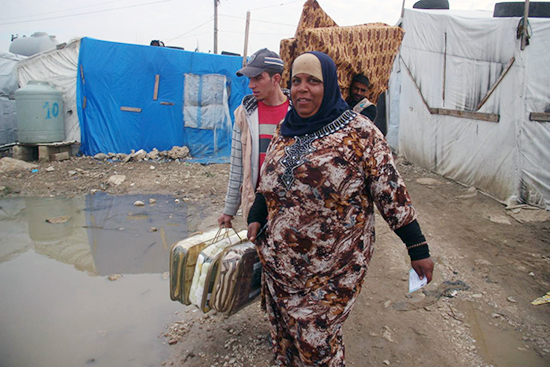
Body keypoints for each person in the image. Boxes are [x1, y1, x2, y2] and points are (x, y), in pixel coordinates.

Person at [247, 51, 434, 366]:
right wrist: (256, 214)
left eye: (313, 81)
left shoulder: (360, 134)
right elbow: (272, 179)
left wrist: (417, 247)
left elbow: (392, 194)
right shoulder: (286, 127)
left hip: (332, 269)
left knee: (316, 343)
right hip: (281, 265)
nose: (302, 89)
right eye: (296, 81)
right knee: (285, 337)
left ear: (330, 85)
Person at [218, 48, 290, 229]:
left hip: (290, 208)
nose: (251, 85)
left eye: (258, 78)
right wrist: (229, 210)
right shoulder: (245, 114)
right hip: (257, 212)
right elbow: (237, 168)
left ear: (276, 79)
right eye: (250, 79)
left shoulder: (297, 113)